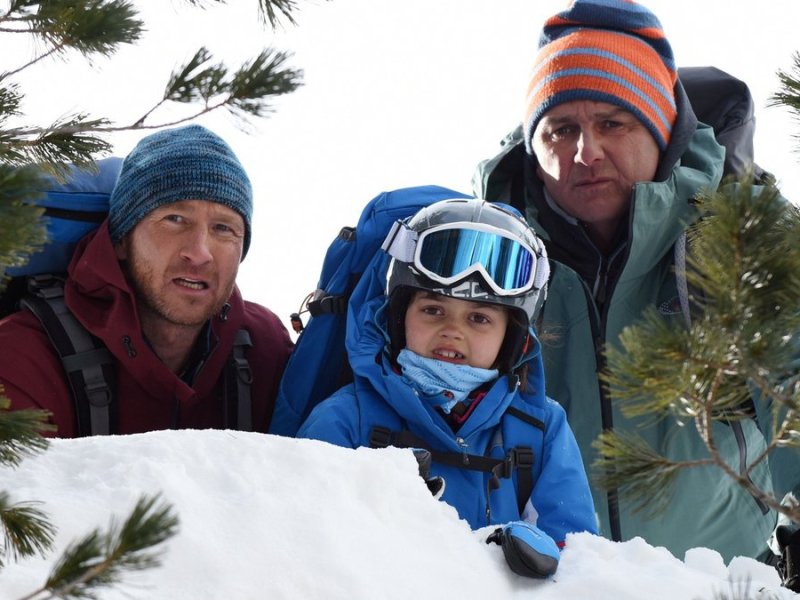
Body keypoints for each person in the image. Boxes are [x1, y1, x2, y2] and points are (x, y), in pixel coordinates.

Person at [472, 0, 790, 563]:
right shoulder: (487, 257)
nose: (585, 152)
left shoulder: (746, 238)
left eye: (612, 124)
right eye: (560, 129)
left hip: (716, 580)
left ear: (662, 128)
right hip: (542, 582)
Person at [297, 197, 597, 576]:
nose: (453, 331)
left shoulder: (540, 429)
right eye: (433, 310)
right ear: (397, 316)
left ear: (513, 337)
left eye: (479, 318)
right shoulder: (345, 420)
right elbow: (306, 550)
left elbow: (578, 560)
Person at [0, 124, 293, 436]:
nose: (200, 252)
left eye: (223, 228)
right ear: (121, 240)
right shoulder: (23, 359)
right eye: (175, 219)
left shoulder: (265, 348)